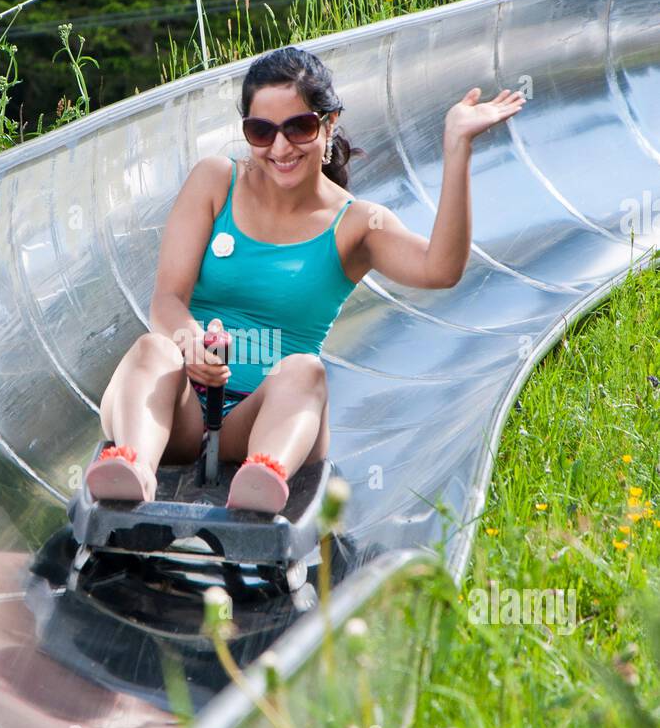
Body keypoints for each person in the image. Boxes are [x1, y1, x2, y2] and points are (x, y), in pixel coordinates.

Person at [86, 45, 525, 513]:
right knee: (153, 347)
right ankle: (131, 469)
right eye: (261, 131)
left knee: (306, 370)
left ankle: (264, 477)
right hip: (180, 409)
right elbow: (167, 299)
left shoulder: (355, 224)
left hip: (267, 417)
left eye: (298, 127)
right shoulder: (216, 181)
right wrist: (191, 342)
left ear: (329, 123)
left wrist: (456, 149)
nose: (280, 148)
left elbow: (441, 268)